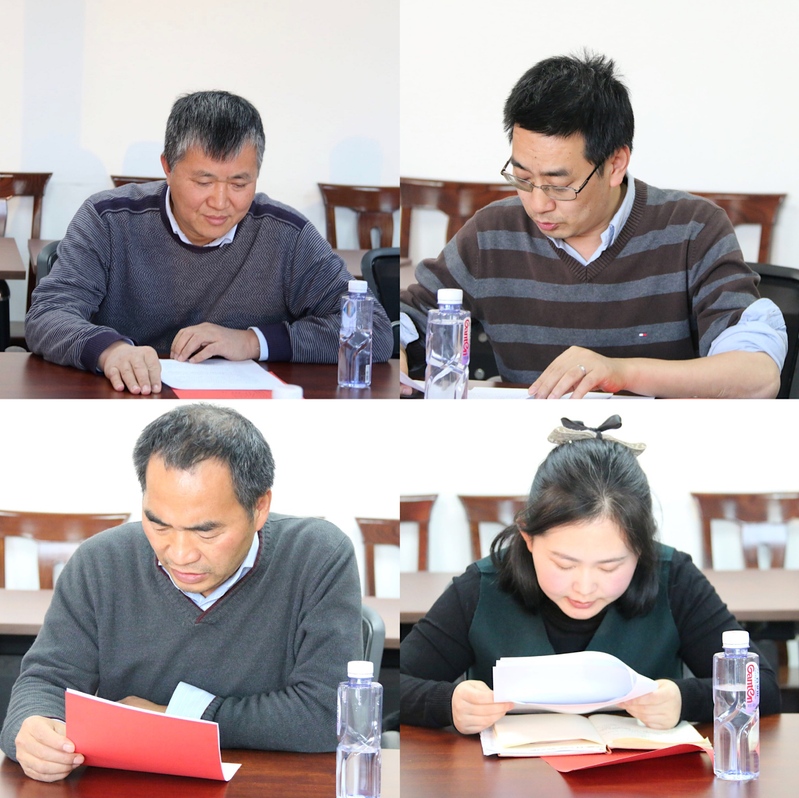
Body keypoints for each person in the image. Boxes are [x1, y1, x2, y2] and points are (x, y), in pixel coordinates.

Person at [0, 404, 362, 782]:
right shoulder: (100, 562)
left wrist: (177, 717)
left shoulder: (317, 556)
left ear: (259, 508)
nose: (180, 553)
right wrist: (34, 727)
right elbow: (45, 682)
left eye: (206, 531)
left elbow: (330, 714)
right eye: (159, 525)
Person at [400, 53, 786, 398]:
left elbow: (757, 375)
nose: (537, 203)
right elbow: (403, 319)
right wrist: (393, 355)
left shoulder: (693, 229)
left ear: (615, 164)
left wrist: (621, 373)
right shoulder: (492, 234)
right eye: (522, 178)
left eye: (559, 184)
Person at [400, 416, 781, 734]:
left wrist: (685, 698)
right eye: (564, 564)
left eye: (610, 566)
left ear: (641, 549)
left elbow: (760, 684)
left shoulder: (674, 577)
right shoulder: (481, 587)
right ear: (528, 538)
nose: (584, 587)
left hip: (640, 782)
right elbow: (394, 683)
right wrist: (448, 703)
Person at [25, 90, 393, 394]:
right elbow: (47, 314)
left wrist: (251, 341)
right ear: (167, 167)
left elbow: (373, 331)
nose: (220, 202)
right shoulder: (108, 219)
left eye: (239, 183)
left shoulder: (286, 234)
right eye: (203, 182)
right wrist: (110, 350)